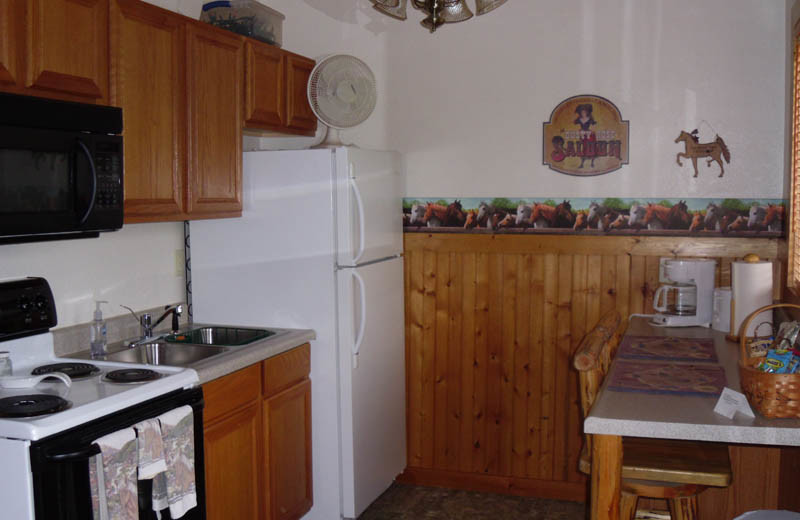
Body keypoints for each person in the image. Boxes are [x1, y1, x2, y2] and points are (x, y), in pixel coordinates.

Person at [574, 103, 597, 169]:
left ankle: (592, 163)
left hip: (590, 136)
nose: (583, 113)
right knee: (584, 150)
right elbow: (576, 127)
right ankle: (582, 164)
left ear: (587, 112)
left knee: (591, 149)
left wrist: (589, 131)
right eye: (582, 112)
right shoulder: (579, 120)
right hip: (583, 136)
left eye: (584, 112)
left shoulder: (590, 119)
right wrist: (580, 131)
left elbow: (594, 129)